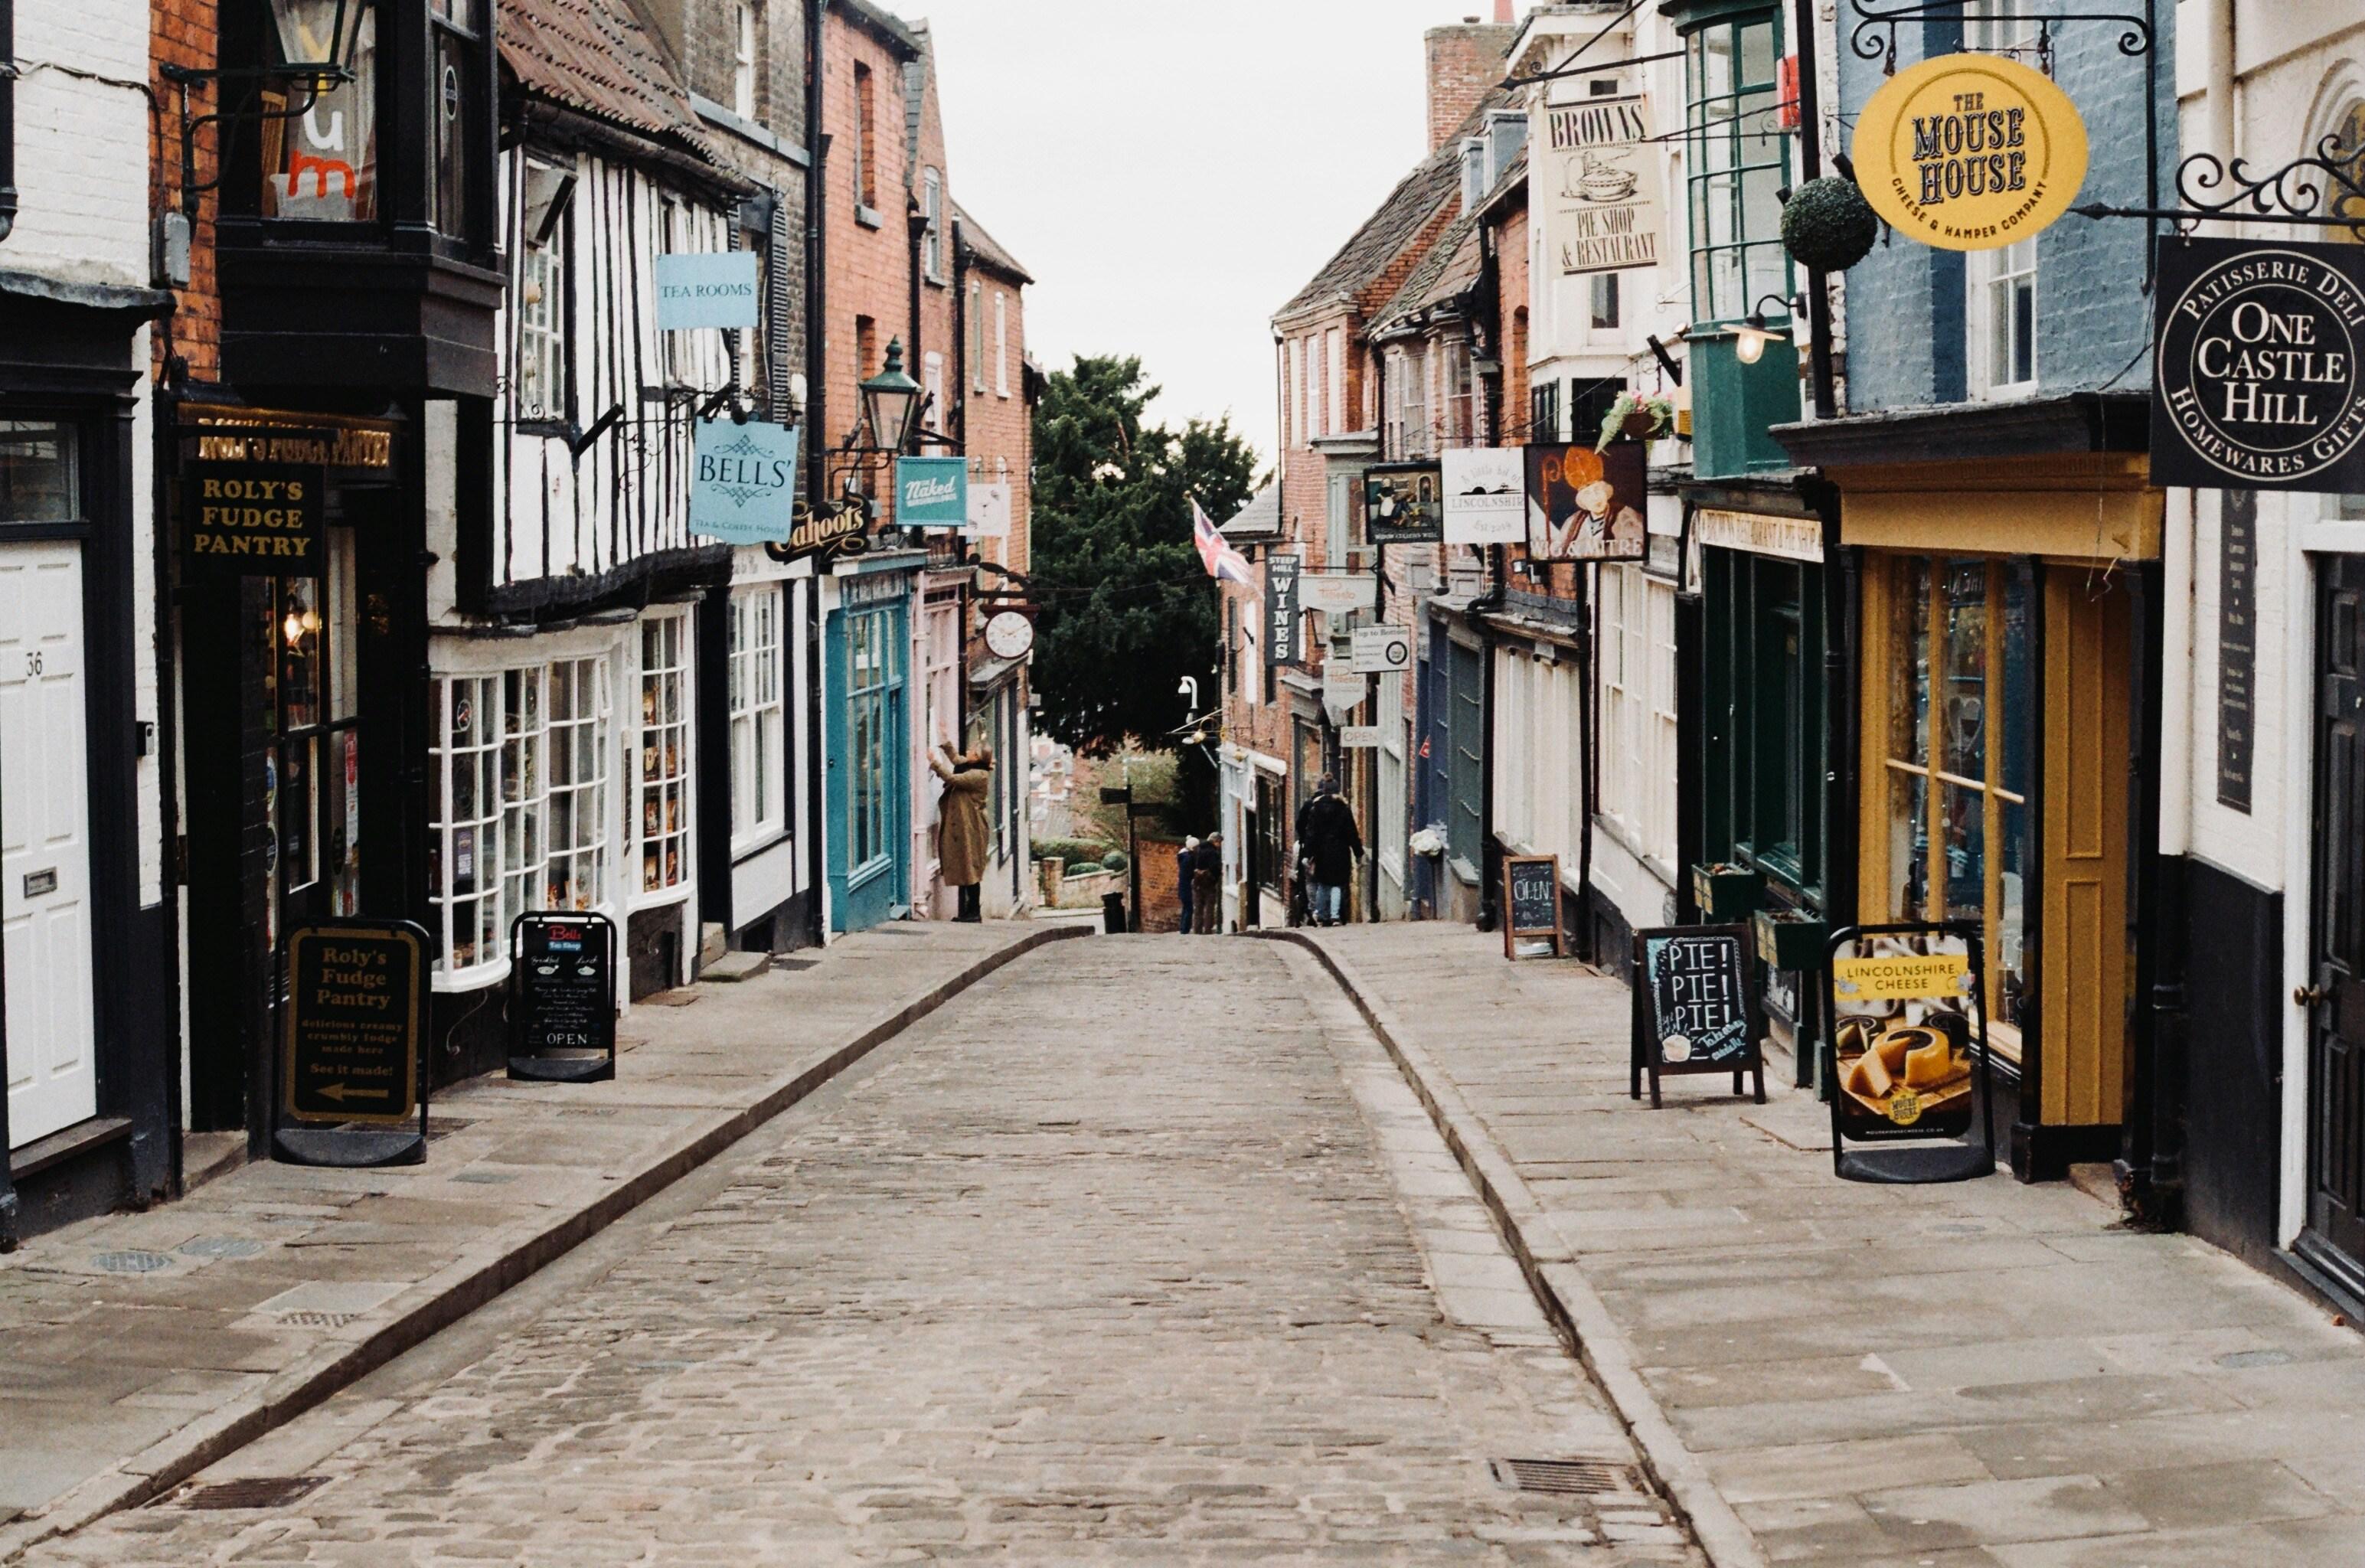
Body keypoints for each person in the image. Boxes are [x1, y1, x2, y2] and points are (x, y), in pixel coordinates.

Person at [929, 743, 992, 922]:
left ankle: (973, 912)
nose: (969, 751)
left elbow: (952, 779)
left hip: (972, 827)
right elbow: (957, 759)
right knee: (966, 866)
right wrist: (945, 742)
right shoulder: (973, 766)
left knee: (970, 868)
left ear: (977, 758)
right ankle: (969, 911)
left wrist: (934, 763)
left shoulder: (978, 775)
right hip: (966, 825)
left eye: (973, 751)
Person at [1298, 776, 1363, 926]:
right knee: (1336, 885)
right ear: (1337, 791)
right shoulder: (1344, 809)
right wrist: (1358, 853)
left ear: (1324, 791)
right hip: (1340, 852)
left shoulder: (1316, 809)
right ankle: (1335, 916)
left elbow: (1311, 834)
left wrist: (1307, 855)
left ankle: (1321, 914)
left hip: (1321, 852)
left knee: (1322, 884)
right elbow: (1352, 832)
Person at [1194, 833, 1223, 933]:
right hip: (1209, 881)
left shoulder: (1199, 849)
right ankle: (1207, 929)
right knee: (1209, 907)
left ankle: (1197, 929)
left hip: (1198, 880)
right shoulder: (1213, 852)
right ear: (1215, 841)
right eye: (1219, 842)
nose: (1220, 845)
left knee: (1198, 907)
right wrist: (1216, 877)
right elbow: (1215, 867)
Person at [1175, 835, 1200, 934]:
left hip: (1183, 885)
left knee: (1186, 907)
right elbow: (1189, 873)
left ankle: (1183, 928)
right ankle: (1185, 929)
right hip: (1186, 886)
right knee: (1189, 908)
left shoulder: (1184, 856)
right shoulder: (1188, 859)